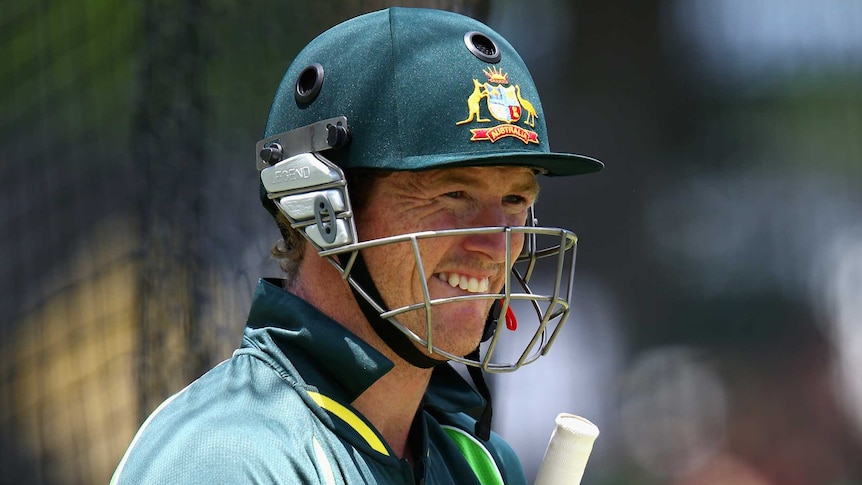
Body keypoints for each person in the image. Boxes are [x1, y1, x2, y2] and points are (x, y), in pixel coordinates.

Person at [111, 7, 602, 484]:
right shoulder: (226, 460)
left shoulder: (481, 464)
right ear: (320, 207)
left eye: (515, 198)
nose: (497, 246)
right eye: (454, 195)